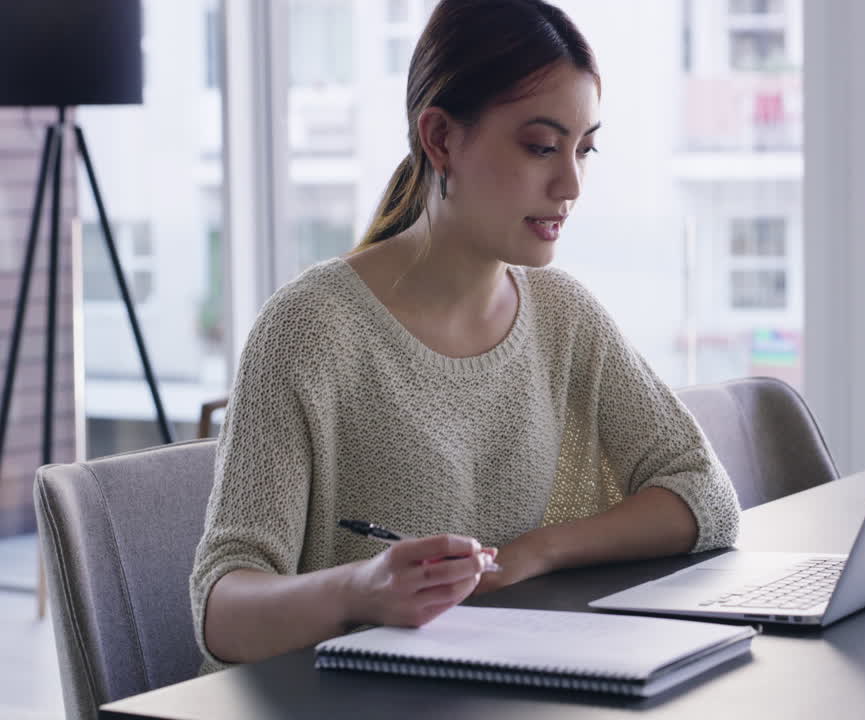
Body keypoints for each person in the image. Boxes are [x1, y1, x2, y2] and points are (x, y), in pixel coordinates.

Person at [189, 0, 741, 673]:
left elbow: (705, 497)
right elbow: (220, 609)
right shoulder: (308, 331)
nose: (570, 182)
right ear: (441, 138)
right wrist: (359, 590)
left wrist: (535, 550)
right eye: (541, 146)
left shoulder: (563, 315)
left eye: (584, 147)